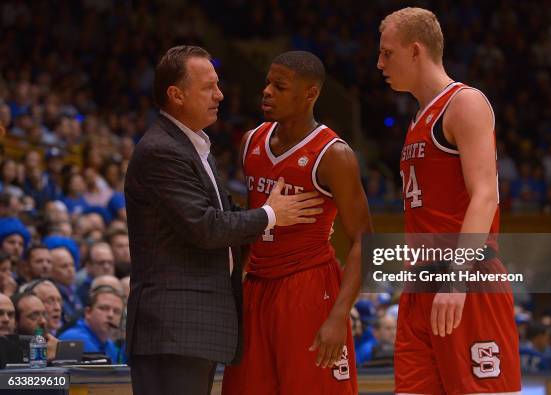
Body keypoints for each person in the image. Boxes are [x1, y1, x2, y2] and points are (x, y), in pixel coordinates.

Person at [125, 45, 324, 395]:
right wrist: (273, 214)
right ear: (176, 95)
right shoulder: (162, 150)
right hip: (173, 327)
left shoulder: (192, 144)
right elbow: (206, 227)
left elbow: (226, 214)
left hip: (191, 328)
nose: (220, 95)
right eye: (208, 87)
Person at [377, 7, 521, 394]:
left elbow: (486, 194)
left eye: (387, 53)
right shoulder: (417, 119)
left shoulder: (465, 103)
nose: (379, 63)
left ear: (416, 50)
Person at [222, 51, 372, 395]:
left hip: (308, 287)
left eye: (279, 86)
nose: (267, 92)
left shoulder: (334, 154)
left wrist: (339, 315)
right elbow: (252, 223)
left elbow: (364, 241)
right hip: (257, 286)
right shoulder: (251, 141)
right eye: (267, 83)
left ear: (310, 93)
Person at [59, 285, 125, 363]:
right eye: (104, 308)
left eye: (117, 311)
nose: (111, 315)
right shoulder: (74, 339)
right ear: (88, 312)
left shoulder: (110, 346)